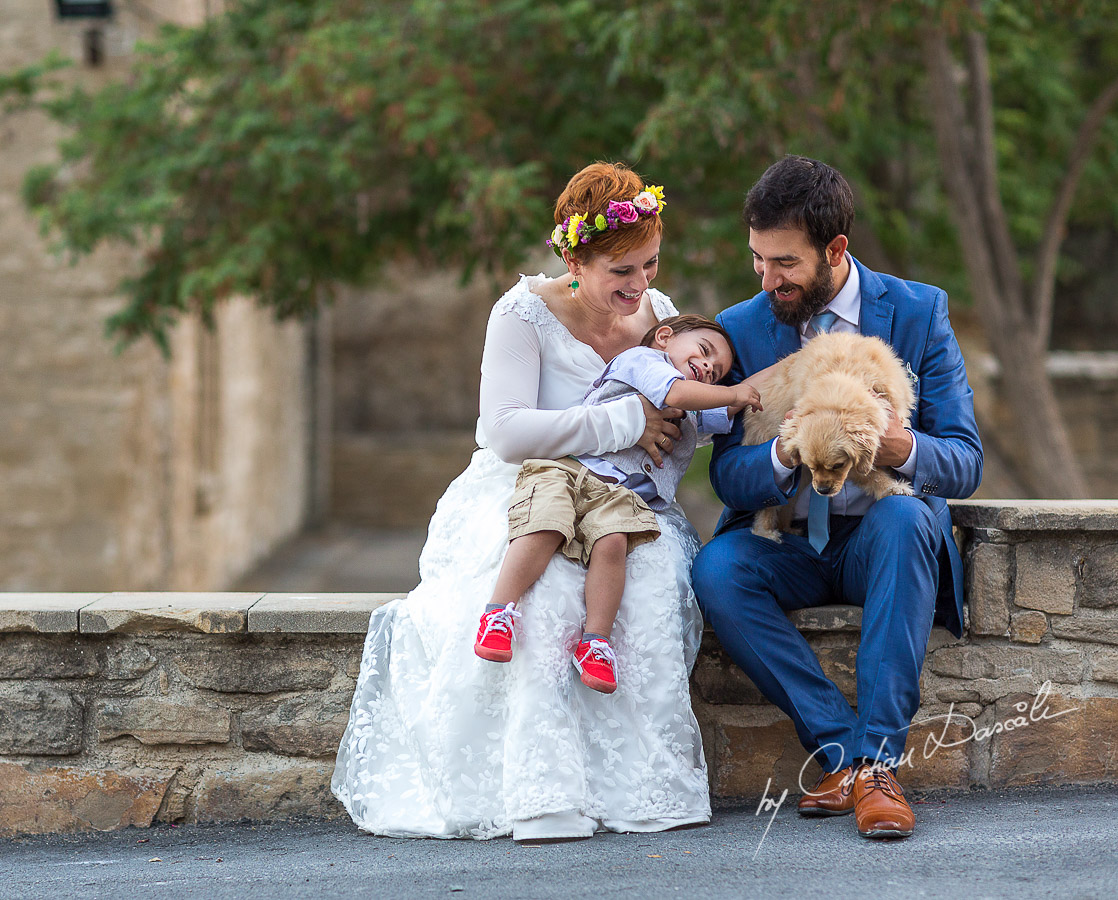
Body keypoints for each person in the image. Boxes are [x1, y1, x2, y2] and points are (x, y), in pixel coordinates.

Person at [333, 162, 713, 841]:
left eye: (649, 266)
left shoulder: (658, 317)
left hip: (620, 497)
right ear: (574, 259)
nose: (639, 286)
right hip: (527, 483)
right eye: (620, 273)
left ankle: (641, 790)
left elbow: (681, 410)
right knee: (541, 600)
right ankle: (543, 795)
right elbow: (504, 432)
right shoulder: (521, 313)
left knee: (648, 587)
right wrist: (624, 422)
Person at [692, 155, 983, 839]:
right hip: (788, 540)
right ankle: (849, 756)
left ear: (836, 249)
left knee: (910, 516)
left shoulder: (918, 312)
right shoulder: (744, 323)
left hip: (879, 537)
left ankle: (875, 761)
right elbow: (726, 477)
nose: (768, 281)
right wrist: (780, 454)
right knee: (717, 570)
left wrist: (899, 448)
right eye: (758, 261)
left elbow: (966, 461)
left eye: (784, 264)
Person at [476, 315, 762, 696]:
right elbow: (678, 395)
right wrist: (733, 392)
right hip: (570, 468)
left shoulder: (695, 405)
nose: (709, 369)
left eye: (718, 373)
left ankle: (595, 640)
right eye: (705, 353)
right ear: (663, 338)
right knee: (545, 523)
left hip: (620, 495)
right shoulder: (644, 362)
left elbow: (724, 410)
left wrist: (783, 374)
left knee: (612, 544)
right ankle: (498, 611)